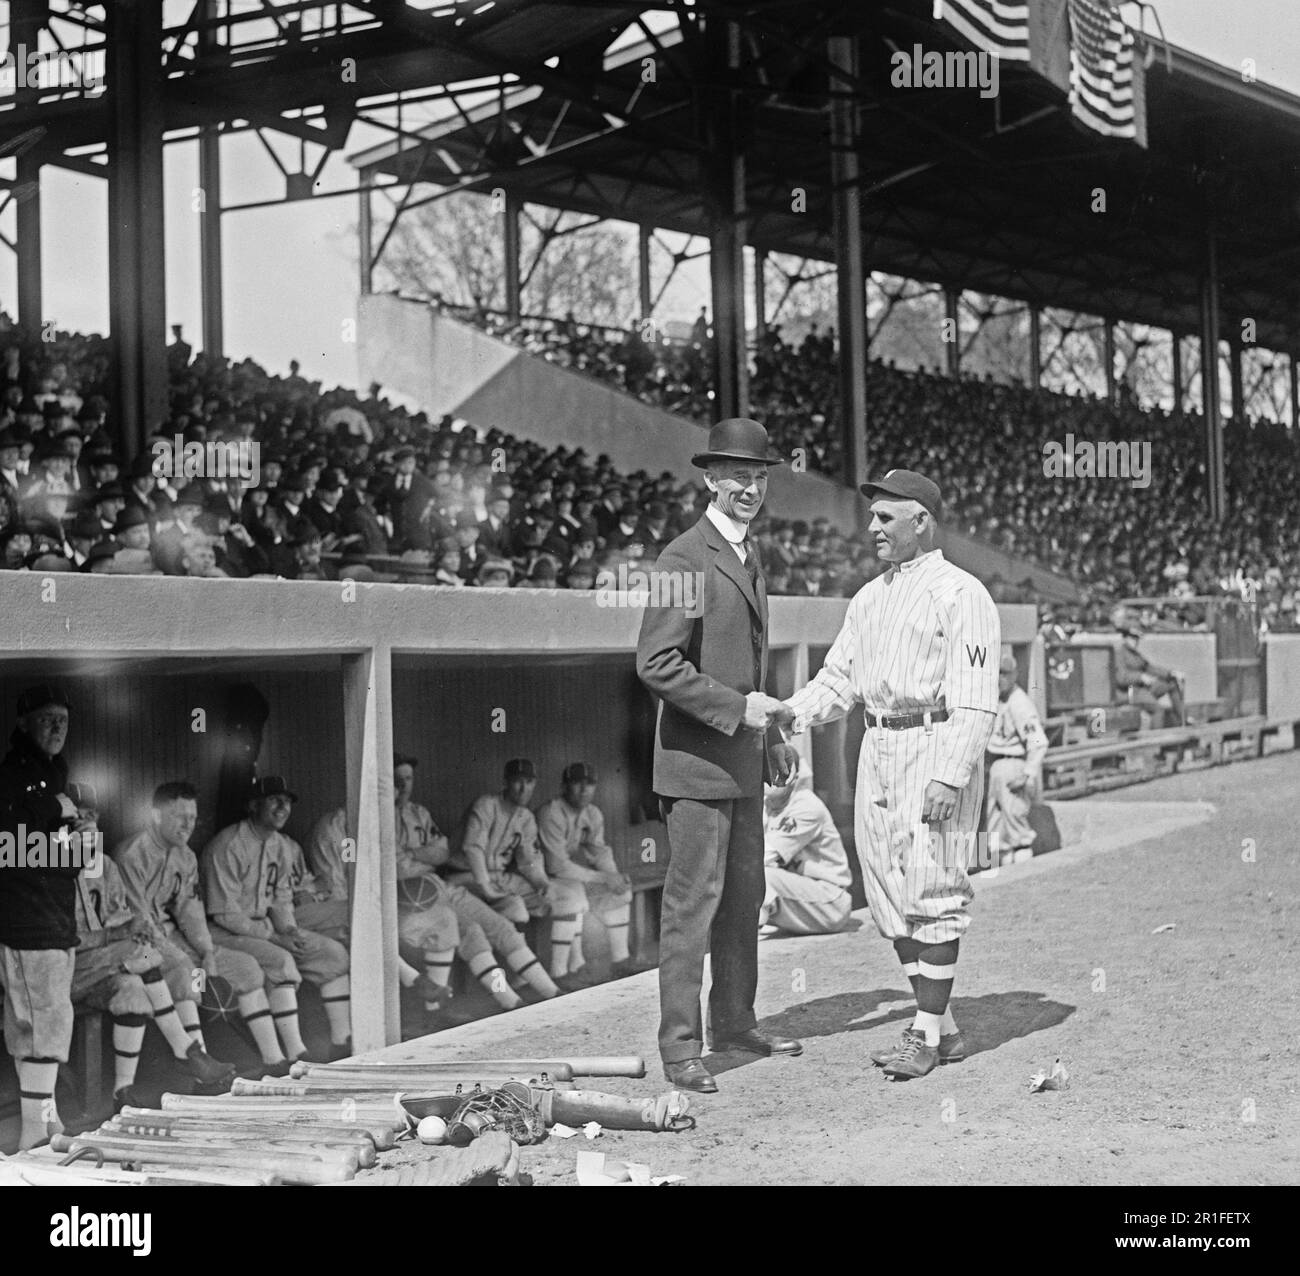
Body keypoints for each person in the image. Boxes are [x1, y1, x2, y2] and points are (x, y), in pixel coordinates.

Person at [780, 469, 1000, 1081]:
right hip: (877, 745)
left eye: (885, 517)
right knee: (887, 894)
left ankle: (923, 1033)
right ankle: (945, 1027)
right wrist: (785, 712)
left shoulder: (964, 594)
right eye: (872, 516)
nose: (872, 527)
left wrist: (951, 774)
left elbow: (978, 699)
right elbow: (836, 683)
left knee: (935, 888)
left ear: (921, 521)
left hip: (935, 742)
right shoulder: (869, 597)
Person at [635, 417, 801, 1094]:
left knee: (744, 899)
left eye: (759, 477)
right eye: (738, 476)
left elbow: (751, 664)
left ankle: (733, 1023)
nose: (751, 488)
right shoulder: (682, 558)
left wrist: (773, 733)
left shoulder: (747, 553)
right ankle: (680, 1048)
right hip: (696, 769)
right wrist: (738, 712)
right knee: (691, 907)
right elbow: (655, 661)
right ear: (709, 479)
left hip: (742, 763)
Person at [115, 781, 302, 1077]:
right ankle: (199, 1064)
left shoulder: (185, 856)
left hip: (172, 938)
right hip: (138, 944)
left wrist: (207, 951)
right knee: (182, 966)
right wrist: (189, 956)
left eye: (192, 817)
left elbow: (190, 912)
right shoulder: (132, 854)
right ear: (156, 816)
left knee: (246, 968)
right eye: (180, 816)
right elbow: (139, 921)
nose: (188, 824)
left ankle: (275, 1060)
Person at [69, 785, 235, 1108]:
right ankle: (185, 1050)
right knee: (141, 952)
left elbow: (118, 921)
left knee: (135, 989)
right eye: (77, 818)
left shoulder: (104, 865)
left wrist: (134, 928)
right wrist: (123, 936)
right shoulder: (45, 867)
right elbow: (63, 940)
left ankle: (123, 1093)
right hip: (68, 970)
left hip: (104, 967)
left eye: (91, 816)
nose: (86, 825)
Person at [201, 776, 353, 1063]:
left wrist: (290, 930)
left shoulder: (282, 845)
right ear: (253, 806)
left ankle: (341, 1043)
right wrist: (274, 937)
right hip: (223, 930)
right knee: (280, 960)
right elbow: (224, 913)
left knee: (331, 954)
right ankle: (294, 1055)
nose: (283, 807)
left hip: (263, 927)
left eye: (287, 801)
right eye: (274, 800)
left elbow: (281, 899)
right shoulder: (228, 844)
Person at [391, 756, 559, 1008]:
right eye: (396, 780)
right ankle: (502, 1002)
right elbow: (394, 866)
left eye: (407, 779)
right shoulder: (377, 820)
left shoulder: (419, 813)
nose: (403, 786)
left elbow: (442, 852)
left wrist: (411, 854)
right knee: (468, 931)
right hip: (406, 896)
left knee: (499, 926)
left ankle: (547, 994)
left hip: (436, 884)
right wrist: (422, 856)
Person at [0, 686, 86, 1147]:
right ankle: (32, 1137)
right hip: (26, 919)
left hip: (54, 917)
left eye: (63, 720)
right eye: (46, 718)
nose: (57, 728)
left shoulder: (54, 774)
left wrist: (72, 835)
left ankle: (46, 1123)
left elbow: (70, 862)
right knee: (38, 1025)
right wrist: (55, 812)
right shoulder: (12, 777)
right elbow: (12, 848)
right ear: (23, 723)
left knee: (49, 1022)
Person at [536, 762, 644, 989]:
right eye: (577, 784)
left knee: (620, 892)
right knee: (574, 896)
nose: (584, 790)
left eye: (590, 785)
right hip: (540, 877)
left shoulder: (592, 813)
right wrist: (604, 878)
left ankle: (620, 960)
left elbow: (599, 852)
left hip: (566, 876)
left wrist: (613, 877)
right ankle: (561, 972)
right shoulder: (551, 812)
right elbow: (556, 865)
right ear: (564, 786)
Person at [760, 761, 854, 936]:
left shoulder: (806, 805)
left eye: (778, 774)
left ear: (794, 777)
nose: (769, 780)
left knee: (758, 874)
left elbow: (763, 856)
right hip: (798, 897)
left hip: (830, 900)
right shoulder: (766, 804)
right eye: (766, 772)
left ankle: (745, 937)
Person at [985, 652, 1049, 866]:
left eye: (1005, 674)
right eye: (997, 673)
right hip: (996, 765)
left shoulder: (1020, 702)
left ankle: (1024, 876)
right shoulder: (996, 699)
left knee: (1016, 826)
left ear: (1014, 675)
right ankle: (1002, 878)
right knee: (996, 828)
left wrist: (1028, 772)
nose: (1000, 678)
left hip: (1014, 764)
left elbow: (1038, 742)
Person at [1111, 606, 1187, 725]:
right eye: (1133, 638)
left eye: (1137, 638)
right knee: (1158, 710)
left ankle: (1182, 721)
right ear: (1125, 637)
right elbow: (1121, 678)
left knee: (1172, 683)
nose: (1135, 641)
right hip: (1129, 693)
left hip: (1141, 690)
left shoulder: (1135, 654)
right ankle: (1154, 742)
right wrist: (1141, 677)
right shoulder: (1119, 652)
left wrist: (1171, 673)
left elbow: (1149, 668)